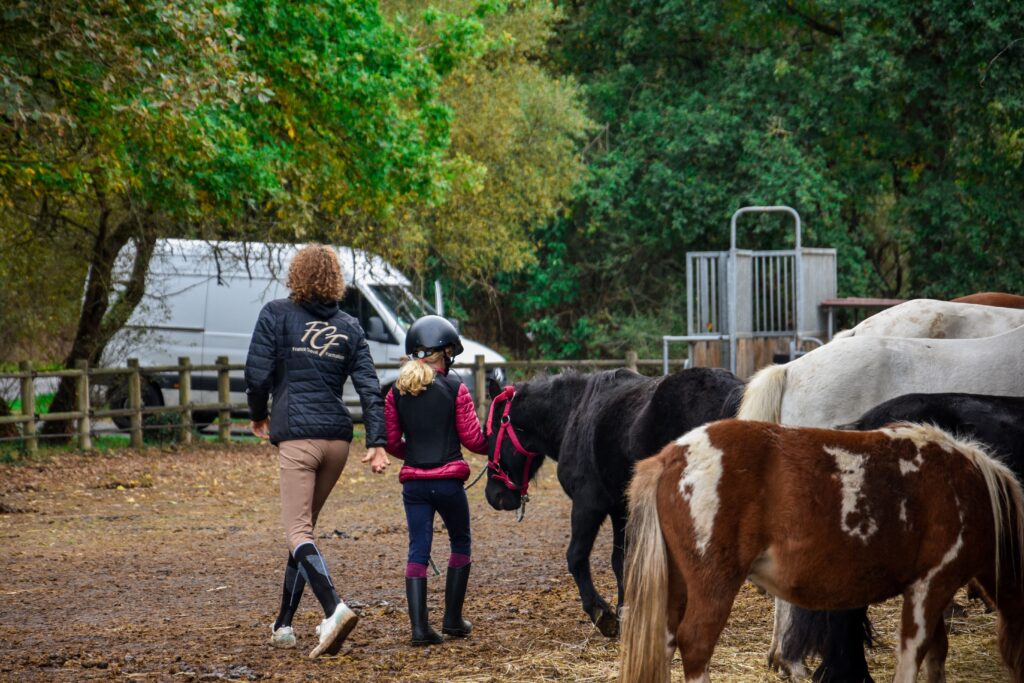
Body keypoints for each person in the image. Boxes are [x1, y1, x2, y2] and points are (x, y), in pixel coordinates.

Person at [244, 244, 391, 658]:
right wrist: (376, 442)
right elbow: (369, 390)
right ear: (335, 280)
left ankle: (334, 609)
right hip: (337, 443)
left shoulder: (275, 313)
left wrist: (258, 415)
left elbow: (257, 374)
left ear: (297, 274)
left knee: (298, 532)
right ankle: (283, 624)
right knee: (304, 533)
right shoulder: (350, 326)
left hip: (298, 436)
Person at [383, 315, 487, 645]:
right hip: (448, 484)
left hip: (413, 486)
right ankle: (453, 620)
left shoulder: (395, 393)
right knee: (460, 543)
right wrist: (494, 444)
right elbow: (473, 440)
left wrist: (412, 455)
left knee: (418, 551)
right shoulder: (456, 389)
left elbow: (390, 440)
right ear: (445, 353)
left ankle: (419, 629)